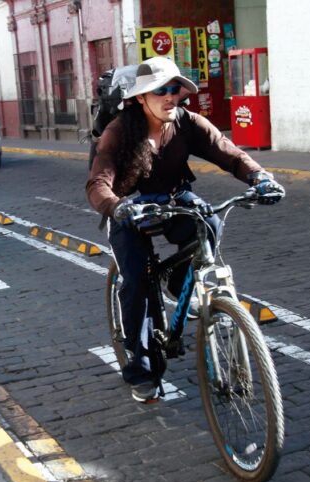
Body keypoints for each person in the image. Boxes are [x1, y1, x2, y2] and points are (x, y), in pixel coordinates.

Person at [85, 57, 285, 403]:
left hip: (175, 198)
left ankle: (180, 282)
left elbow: (230, 154)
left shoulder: (188, 123)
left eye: (174, 89)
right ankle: (140, 366)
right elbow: (98, 183)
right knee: (137, 282)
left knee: (209, 222)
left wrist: (260, 178)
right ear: (139, 98)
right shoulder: (119, 131)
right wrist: (117, 206)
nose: (170, 96)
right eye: (160, 90)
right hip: (130, 209)